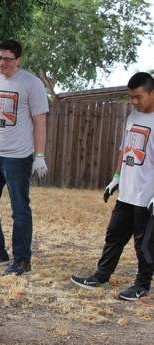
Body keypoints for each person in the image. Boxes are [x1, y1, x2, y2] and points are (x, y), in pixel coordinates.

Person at [71, 72, 154, 301]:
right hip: (127, 192)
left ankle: (143, 285)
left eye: (139, 97)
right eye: (131, 97)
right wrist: (116, 178)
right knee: (114, 235)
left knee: (144, 244)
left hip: (147, 197)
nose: (134, 102)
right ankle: (101, 276)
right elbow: (125, 149)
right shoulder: (132, 118)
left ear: (152, 93)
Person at [0, 39, 49, 276]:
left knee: (20, 210)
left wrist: (40, 155)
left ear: (18, 60)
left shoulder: (31, 84)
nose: (2, 63)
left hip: (18, 157)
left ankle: (22, 261)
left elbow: (40, 122)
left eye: (7, 59)